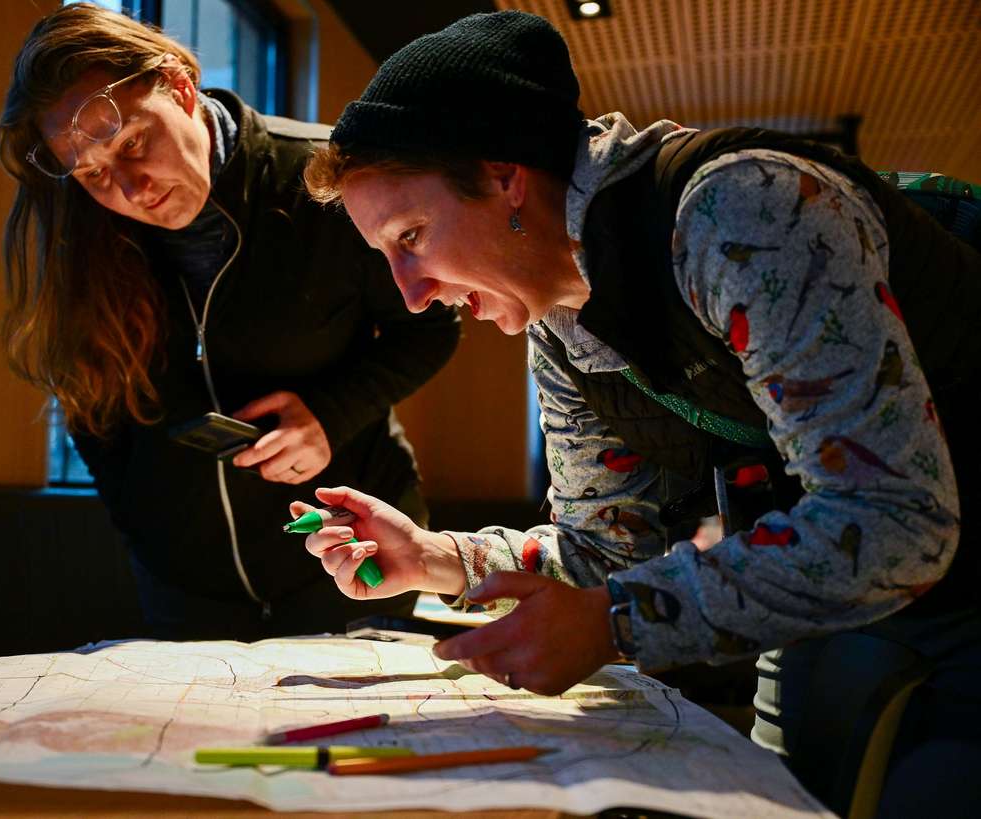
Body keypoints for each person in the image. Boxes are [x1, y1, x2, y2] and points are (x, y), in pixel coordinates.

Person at [293, 10, 980, 813]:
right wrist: (435, 557)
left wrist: (616, 623)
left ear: (506, 176)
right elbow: (603, 551)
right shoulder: (558, 324)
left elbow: (897, 516)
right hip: (832, 594)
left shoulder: (738, 212)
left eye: (412, 235)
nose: (412, 296)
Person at [0, 3, 459, 641]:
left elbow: (432, 326)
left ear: (180, 88)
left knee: (360, 742)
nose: (130, 189)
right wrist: (147, 528)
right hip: (186, 590)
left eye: (132, 143)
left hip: (351, 556)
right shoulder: (85, 234)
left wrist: (331, 412)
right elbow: (90, 405)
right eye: (94, 174)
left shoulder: (329, 180)